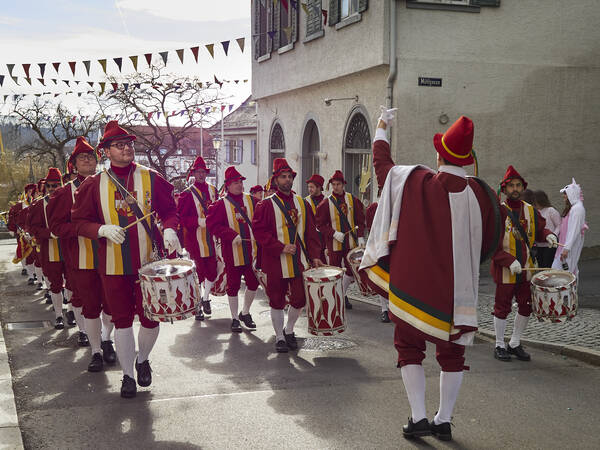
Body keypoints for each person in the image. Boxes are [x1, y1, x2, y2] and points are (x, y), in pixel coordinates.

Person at [360, 108, 501, 441]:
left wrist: (381, 128)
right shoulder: (483, 193)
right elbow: (493, 237)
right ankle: (444, 419)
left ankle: (419, 417)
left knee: (408, 345)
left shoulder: (417, 182)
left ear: (440, 154)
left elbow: (383, 168)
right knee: (452, 352)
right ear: (466, 158)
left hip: (415, 287)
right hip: (458, 291)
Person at [72, 121, 181, 398]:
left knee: (151, 318)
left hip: (149, 264)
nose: (127, 148)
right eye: (119, 145)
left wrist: (169, 228)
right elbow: (78, 222)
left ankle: (143, 358)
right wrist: (100, 229)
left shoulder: (152, 177)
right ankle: (128, 376)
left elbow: (170, 210)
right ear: (106, 151)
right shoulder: (93, 185)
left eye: (130, 144)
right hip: (112, 265)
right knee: (121, 320)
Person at [48, 137, 116, 372]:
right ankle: (96, 350)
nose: (87, 160)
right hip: (81, 258)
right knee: (89, 306)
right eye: (82, 158)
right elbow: (56, 227)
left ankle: (107, 339)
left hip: (111, 255)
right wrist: (81, 229)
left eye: (91, 157)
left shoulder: (109, 184)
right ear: (73, 165)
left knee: (111, 305)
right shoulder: (63, 194)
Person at [252, 158, 324, 352]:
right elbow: (259, 232)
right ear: (276, 180)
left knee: (300, 299)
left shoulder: (302, 203)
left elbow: (310, 232)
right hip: (276, 261)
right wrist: (280, 247)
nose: (287, 180)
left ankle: (289, 329)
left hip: (299, 260)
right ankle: (280, 337)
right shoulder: (265, 205)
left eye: (289, 177)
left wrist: (315, 255)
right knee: (276, 299)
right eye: (283, 177)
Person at [491, 166, 557, 363]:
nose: (515, 189)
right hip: (506, 270)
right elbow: (492, 245)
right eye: (511, 186)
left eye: (518, 185)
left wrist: (549, 235)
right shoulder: (498, 212)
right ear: (504, 189)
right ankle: (499, 344)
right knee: (502, 307)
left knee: (526, 306)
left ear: (523, 187)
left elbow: (541, 230)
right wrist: (509, 261)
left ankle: (515, 342)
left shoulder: (530, 210)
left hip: (527, 269)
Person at [206, 166, 259, 333]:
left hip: (252, 252)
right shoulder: (221, 204)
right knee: (234, 285)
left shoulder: (253, 201)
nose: (239, 185)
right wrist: (229, 234)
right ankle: (235, 318)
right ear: (227, 185)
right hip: (232, 252)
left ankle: (245, 312)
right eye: (235, 182)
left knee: (253, 283)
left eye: (240, 182)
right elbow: (212, 225)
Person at [28, 168, 79, 335]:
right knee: (55, 285)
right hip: (49, 251)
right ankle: (58, 315)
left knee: (72, 283)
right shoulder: (37, 206)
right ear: (45, 187)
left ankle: (70, 310)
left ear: (62, 184)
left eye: (56, 185)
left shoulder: (71, 199)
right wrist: (49, 233)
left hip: (70, 249)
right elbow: (33, 228)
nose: (52, 188)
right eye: (49, 185)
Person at [316, 170, 365, 310]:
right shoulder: (325, 203)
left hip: (351, 243)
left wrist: (360, 235)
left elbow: (360, 220)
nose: (335, 187)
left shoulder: (352, 199)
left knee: (351, 271)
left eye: (338, 184)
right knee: (335, 272)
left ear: (343, 184)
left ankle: (341, 294)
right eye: (333, 184)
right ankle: (337, 298)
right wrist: (333, 233)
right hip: (334, 244)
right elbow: (319, 225)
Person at [177, 156, 218, 321]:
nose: (201, 175)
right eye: (198, 172)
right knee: (198, 274)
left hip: (213, 238)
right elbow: (182, 218)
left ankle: (205, 297)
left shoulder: (214, 190)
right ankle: (198, 306)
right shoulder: (186, 194)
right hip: (196, 240)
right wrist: (199, 221)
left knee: (213, 272)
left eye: (203, 172)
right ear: (193, 173)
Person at [552, 178, 587, 277]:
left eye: (565, 194)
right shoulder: (574, 208)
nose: (563, 196)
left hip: (568, 248)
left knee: (565, 273)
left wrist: (566, 249)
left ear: (571, 194)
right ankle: (570, 291)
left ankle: (568, 291)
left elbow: (574, 231)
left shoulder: (577, 209)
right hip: (565, 246)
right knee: (566, 272)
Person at [365, 196, 390, 323]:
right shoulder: (373, 208)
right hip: (380, 247)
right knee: (381, 277)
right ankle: (384, 309)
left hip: (393, 247)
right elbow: (371, 230)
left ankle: (393, 307)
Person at [533, 190, 561, 268]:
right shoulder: (535, 211)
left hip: (550, 244)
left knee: (547, 265)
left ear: (541, 201)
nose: (534, 205)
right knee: (540, 266)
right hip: (539, 244)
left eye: (535, 202)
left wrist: (553, 235)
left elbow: (559, 225)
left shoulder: (550, 210)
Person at [304, 174, 326, 263]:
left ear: (319, 187)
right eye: (308, 187)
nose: (309, 189)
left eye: (312, 187)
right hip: (310, 239)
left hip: (324, 239)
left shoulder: (327, 201)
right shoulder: (304, 201)